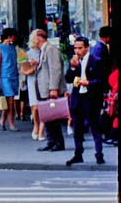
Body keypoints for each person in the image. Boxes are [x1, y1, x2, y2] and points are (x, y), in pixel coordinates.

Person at [65, 36, 107, 166]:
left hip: (91, 97)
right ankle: (78, 154)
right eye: (75, 48)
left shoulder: (96, 61)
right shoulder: (74, 61)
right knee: (77, 128)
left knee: (95, 126)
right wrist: (72, 68)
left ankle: (99, 154)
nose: (77, 51)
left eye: (80, 48)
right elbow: (68, 79)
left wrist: (88, 82)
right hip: (78, 97)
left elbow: (102, 82)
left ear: (87, 48)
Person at [28, 29, 65, 152]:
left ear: (39, 38)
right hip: (43, 89)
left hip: (49, 89)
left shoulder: (51, 49)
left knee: (53, 117)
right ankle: (51, 141)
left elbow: (55, 69)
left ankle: (58, 142)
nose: (33, 41)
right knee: (47, 116)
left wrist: (53, 88)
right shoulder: (44, 50)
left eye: (33, 38)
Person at [0, 28, 19, 131]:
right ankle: (11, 122)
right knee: (11, 101)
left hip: (13, 75)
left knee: (9, 101)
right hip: (5, 77)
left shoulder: (13, 47)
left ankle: (2, 120)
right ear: (9, 37)